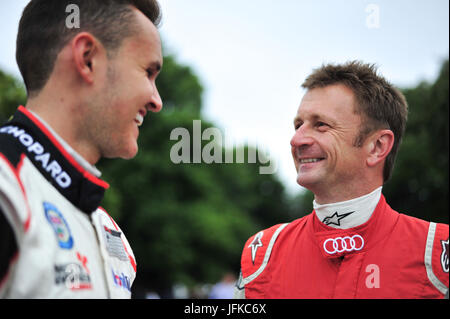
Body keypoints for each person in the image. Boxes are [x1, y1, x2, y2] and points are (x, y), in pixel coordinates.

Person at [234, 61, 449, 299]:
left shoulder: (437, 253)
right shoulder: (263, 253)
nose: (296, 140)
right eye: (298, 125)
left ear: (377, 146)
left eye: (321, 125)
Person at [0, 0, 163, 298]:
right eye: (148, 73)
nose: (156, 100)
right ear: (88, 59)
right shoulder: (7, 188)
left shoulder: (111, 235)